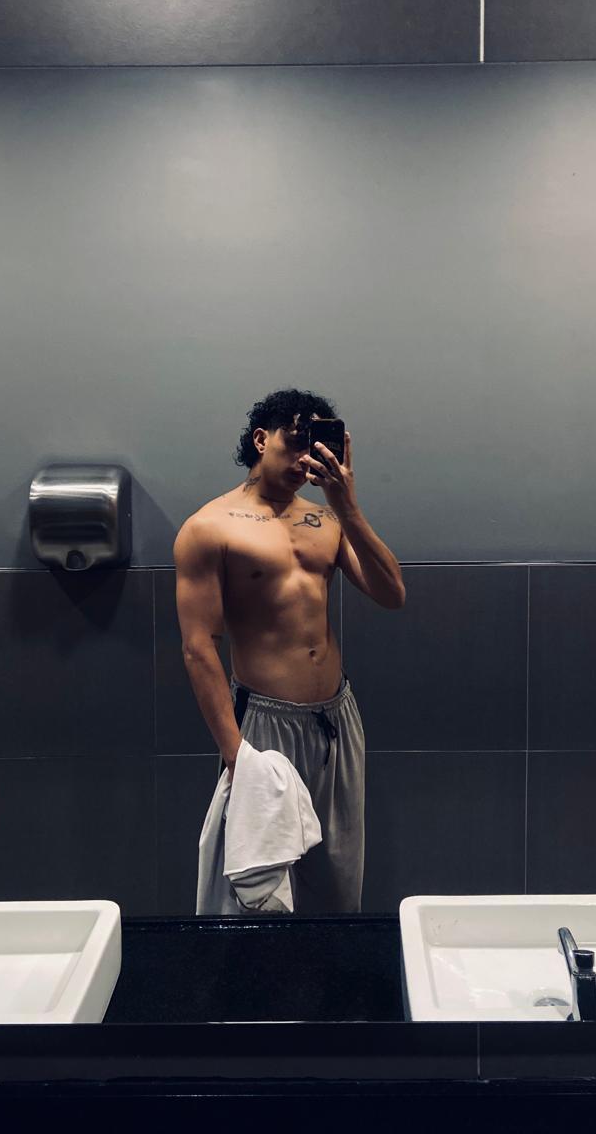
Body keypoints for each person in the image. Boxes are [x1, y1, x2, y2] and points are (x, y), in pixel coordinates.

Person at [174, 387, 406, 913]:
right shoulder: (209, 528)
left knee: (338, 882)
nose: (305, 458)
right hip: (264, 725)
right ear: (262, 439)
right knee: (261, 895)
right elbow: (198, 647)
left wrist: (347, 506)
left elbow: (392, 593)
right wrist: (236, 754)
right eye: (296, 442)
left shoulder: (327, 521)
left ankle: (329, 969)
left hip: (336, 720)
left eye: (315, 446)